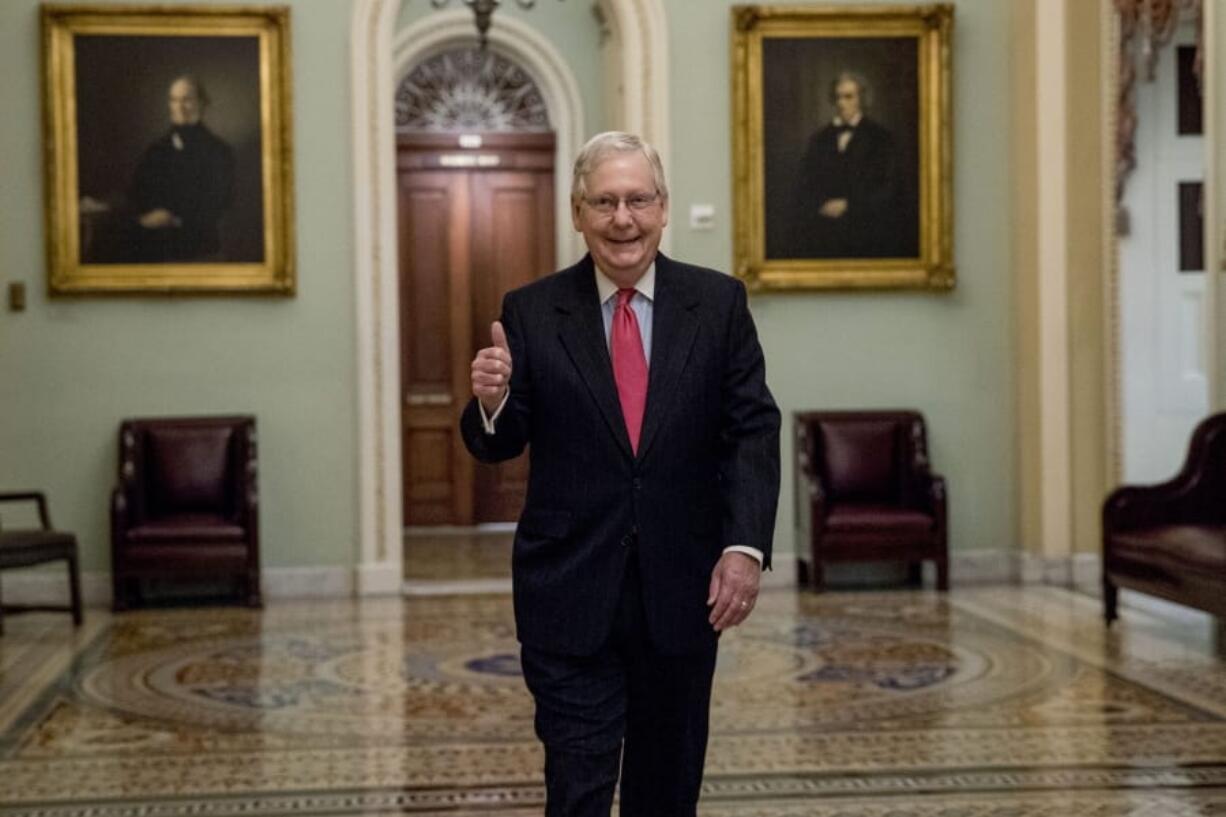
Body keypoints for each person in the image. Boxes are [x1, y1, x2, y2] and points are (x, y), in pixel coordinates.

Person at [460, 132, 781, 816]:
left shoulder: (717, 305)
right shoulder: (532, 311)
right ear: (577, 213)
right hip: (569, 593)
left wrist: (743, 546)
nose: (622, 219)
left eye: (638, 199)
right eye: (603, 202)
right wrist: (492, 403)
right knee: (577, 786)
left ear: (663, 208)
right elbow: (500, 442)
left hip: (683, 593)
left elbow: (751, 427)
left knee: (665, 792)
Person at [126, 75, 234, 262]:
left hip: (197, 244)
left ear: (202, 103)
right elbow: (137, 192)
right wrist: (145, 218)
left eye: (187, 100)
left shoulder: (219, 151)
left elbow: (219, 202)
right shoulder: (156, 149)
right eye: (174, 100)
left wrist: (174, 219)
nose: (179, 107)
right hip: (151, 241)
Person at [796, 70, 902, 258]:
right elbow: (805, 183)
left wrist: (849, 205)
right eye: (837, 97)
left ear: (861, 98)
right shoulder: (820, 139)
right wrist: (820, 204)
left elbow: (887, 188)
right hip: (824, 235)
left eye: (848, 96)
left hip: (866, 233)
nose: (841, 103)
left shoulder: (880, 138)